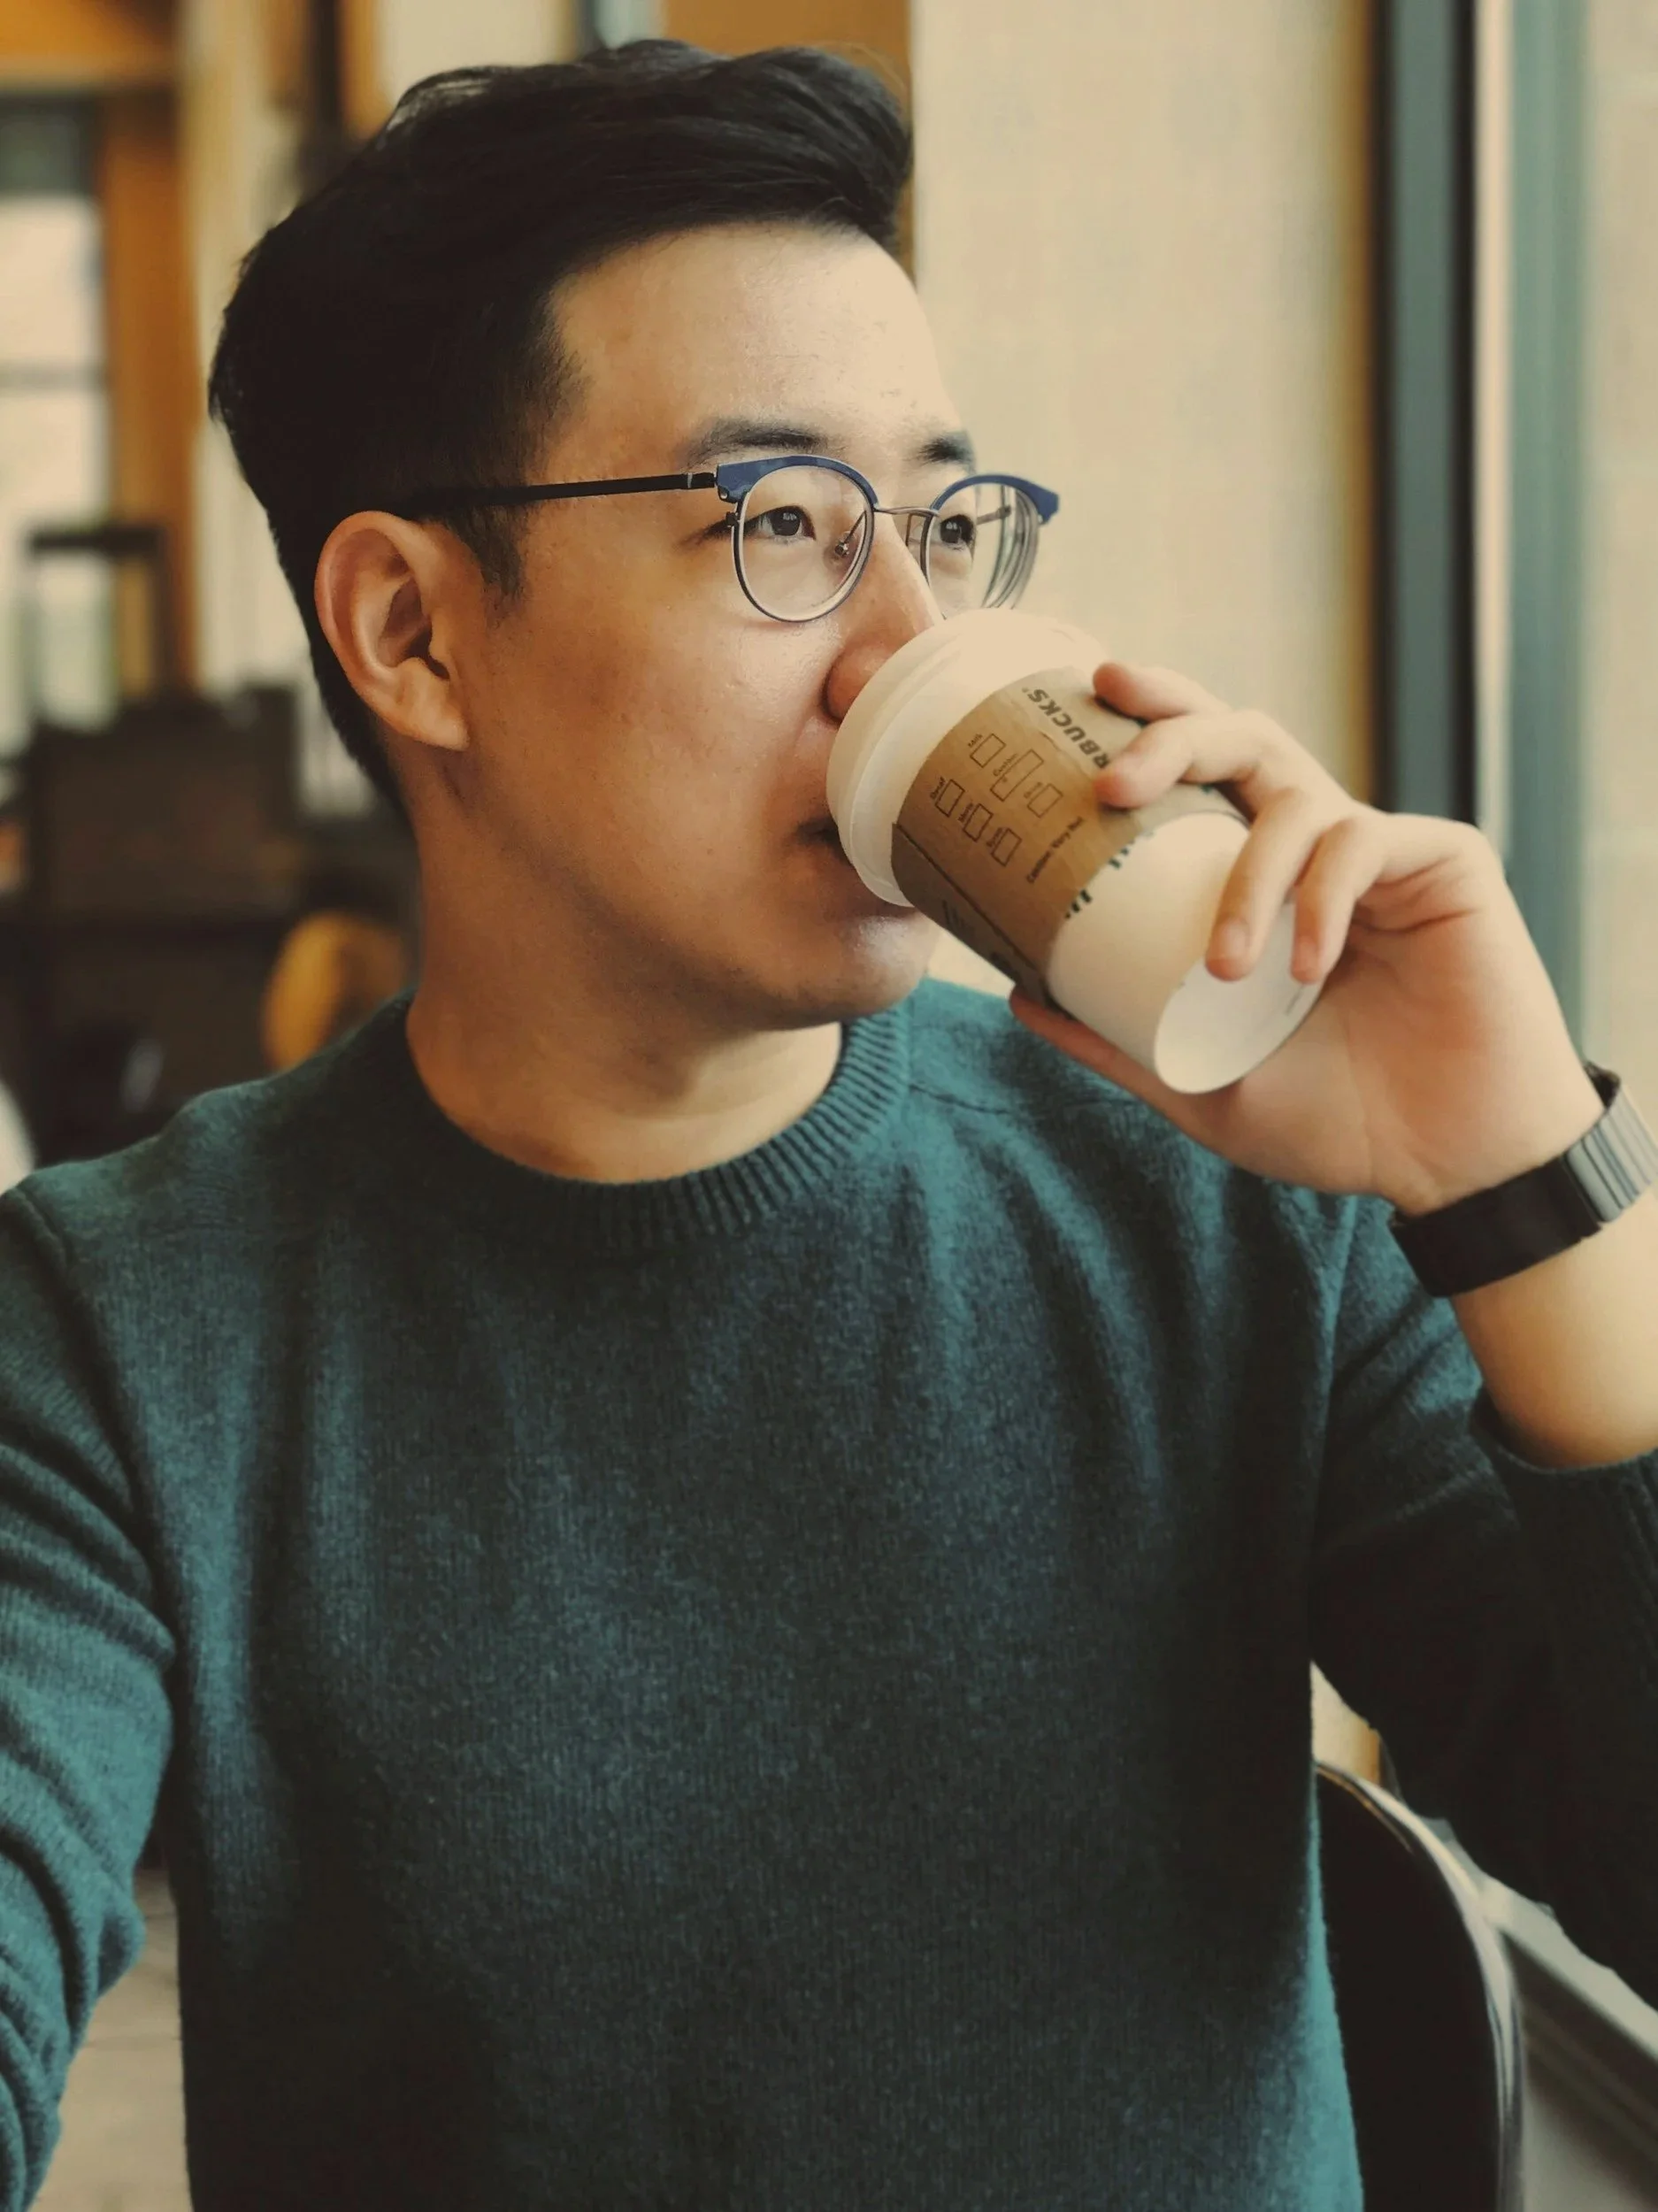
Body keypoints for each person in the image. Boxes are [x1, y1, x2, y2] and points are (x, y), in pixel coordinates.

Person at [1, 40, 1655, 2212]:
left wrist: (1518, 1184)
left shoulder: (1236, 1198)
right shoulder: (124, 1327)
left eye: (944, 524)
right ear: (411, 629)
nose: (906, 647)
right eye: (780, 523)